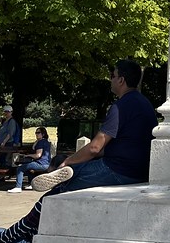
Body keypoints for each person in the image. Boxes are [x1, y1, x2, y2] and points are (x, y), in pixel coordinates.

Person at [32, 59, 158, 194]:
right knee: (73, 168)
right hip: (142, 171)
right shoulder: (145, 104)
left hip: (118, 170)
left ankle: (38, 208)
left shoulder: (120, 107)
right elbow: (118, 146)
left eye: (113, 76)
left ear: (121, 80)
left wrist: (68, 161)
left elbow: (94, 148)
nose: (111, 80)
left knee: (65, 182)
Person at [8, 126, 52, 192]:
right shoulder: (46, 142)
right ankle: (32, 184)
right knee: (29, 168)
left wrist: (27, 156)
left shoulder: (40, 142)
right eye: (36, 133)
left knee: (20, 168)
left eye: (38, 133)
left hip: (41, 163)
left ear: (43, 134)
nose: (36, 134)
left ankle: (18, 187)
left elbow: (38, 155)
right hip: (47, 164)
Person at [0, 104, 21, 169]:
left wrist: (4, 142)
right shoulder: (5, 121)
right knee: (1, 160)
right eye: (5, 111)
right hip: (3, 143)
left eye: (8, 111)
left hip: (8, 143)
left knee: (5, 160)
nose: (6, 113)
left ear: (11, 112)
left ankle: (5, 173)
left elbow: (10, 134)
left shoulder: (11, 121)